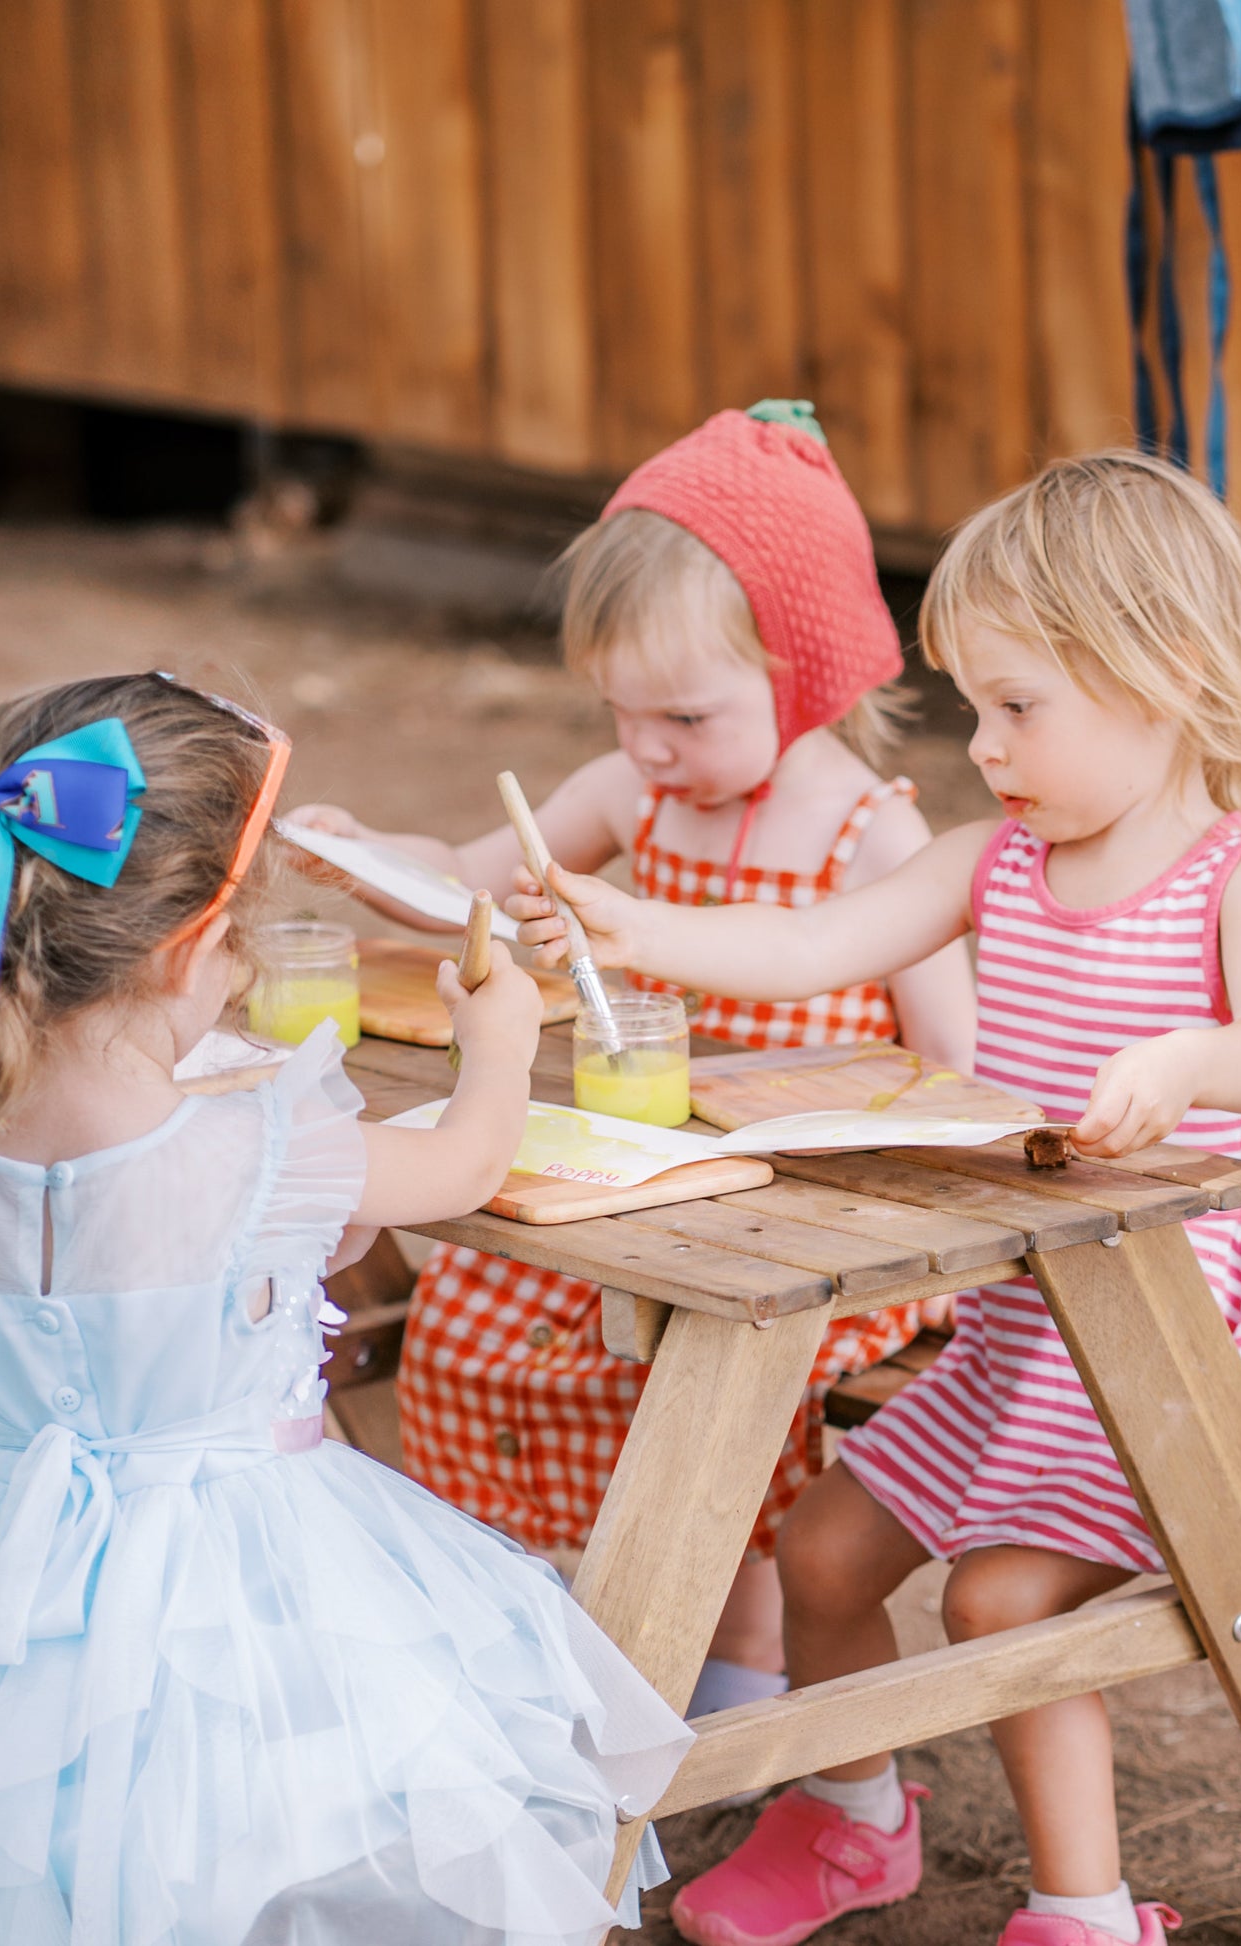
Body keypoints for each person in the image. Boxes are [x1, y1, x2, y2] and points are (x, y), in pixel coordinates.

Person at [513, 452, 1241, 1946]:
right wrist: (620, 918)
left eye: (1019, 704)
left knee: (996, 1602)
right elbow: (809, 946)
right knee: (821, 1552)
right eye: (976, 703)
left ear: (1166, 675)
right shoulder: (993, 864)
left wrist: (1193, 1051)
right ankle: (849, 1814)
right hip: (1019, 1340)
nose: (986, 741)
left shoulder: (1234, 876)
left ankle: (1083, 1910)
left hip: (1174, 1364)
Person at [0, 673, 691, 1946]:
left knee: (48, 1842)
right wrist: (497, 1041)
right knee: (266, 1829)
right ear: (185, 951)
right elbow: (467, 1166)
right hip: (242, 1567)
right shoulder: (254, 1148)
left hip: (0, 1571)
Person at [294, 401, 975, 1720]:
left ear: (806, 672)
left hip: (811, 1219)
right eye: (621, 713)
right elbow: (471, 883)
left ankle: (736, 1664)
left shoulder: (872, 842)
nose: (651, 746)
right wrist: (371, 856)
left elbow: (956, 1062)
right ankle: (536, 1615)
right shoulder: (631, 796)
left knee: (717, 1380)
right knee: (471, 1315)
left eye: (685, 714)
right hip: (640, 1177)